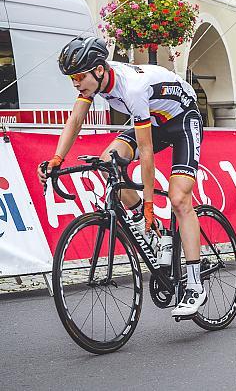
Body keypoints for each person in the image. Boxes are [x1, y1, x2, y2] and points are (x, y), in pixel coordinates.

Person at [37, 36, 207, 316]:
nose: (76, 83)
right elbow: (76, 120)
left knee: (179, 199)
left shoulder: (133, 89)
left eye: (79, 76)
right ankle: (154, 230)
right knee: (107, 163)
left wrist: (151, 203)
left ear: (99, 70)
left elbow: (146, 151)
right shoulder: (95, 83)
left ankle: (194, 284)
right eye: (72, 78)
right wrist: (57, 158)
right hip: (155, 120)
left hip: (183, 121)